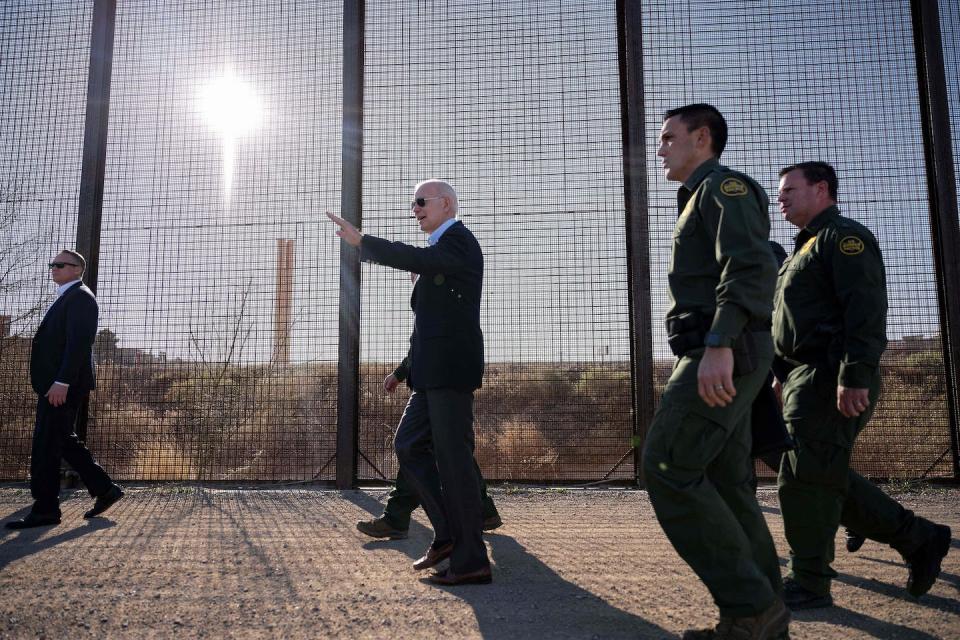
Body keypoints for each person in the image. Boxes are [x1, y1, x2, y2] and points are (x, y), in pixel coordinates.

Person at [773, 161, 951, 609]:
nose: (782, 198)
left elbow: (865, 312)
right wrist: (781, 374)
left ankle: (810, 581)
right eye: (780, 192)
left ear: (821, 189)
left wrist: (853, 376)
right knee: (814, 473)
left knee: (804, 481)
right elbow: (787, 323)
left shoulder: (842, 238)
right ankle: (920, 537)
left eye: (790, 189)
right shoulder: (799, 250)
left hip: (831, 374)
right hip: (803, 377)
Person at [642, 104, 789, 640]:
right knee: (727, 483)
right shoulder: (697, 199)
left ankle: (751, 607)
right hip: (720, 348)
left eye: (668, 138)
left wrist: (720, 343)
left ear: (701, 137)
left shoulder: (724, 188)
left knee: (666, 464)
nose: (659, 149)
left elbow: (751, 266)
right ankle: (760, 616)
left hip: (724, 349)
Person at [327, 179, 491, 586]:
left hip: (450, 373)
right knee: (408, 445)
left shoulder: (458, 241)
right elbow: (428, 327)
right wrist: (404, 371)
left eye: (421, 202)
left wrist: (365, 243)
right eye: (413, 203)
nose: (414, 209)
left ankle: (471, 560)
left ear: (447, 204)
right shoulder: (440, 251)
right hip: (429, 376)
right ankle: (449, 536)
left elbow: (417, 259)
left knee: (454, 463)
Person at [5, 250, 123, 530]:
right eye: (52, 264)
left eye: (60, 265)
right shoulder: (67, 297)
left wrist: (62, 381)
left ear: (76, 269)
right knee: (61, 438)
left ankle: (46, 510)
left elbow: (78, 344)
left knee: (46, 444)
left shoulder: (81, 297)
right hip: (56, 384)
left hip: (62, 385)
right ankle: (105, 489)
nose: (53, 268)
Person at [357, 354, 502, 539]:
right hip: (442, 380)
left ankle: (398, 518)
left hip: (439, 381)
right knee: (436, 449)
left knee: (419, 447)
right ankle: (483, 511)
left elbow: (426, 342)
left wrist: (400, 372)